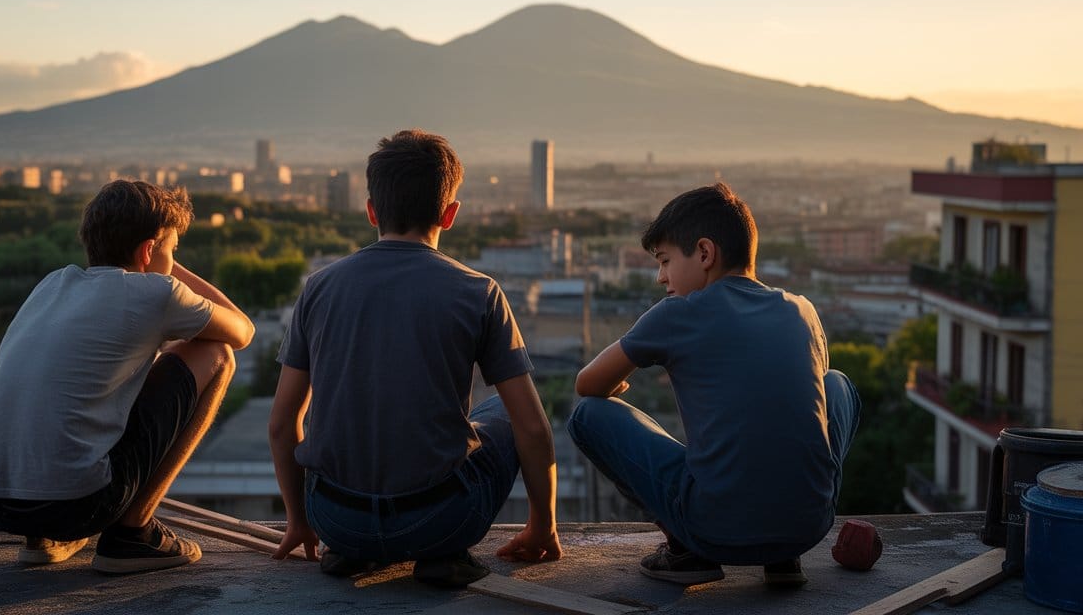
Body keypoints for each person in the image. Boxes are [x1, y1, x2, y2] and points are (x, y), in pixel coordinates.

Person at [268, 129, 562, 588]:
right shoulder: (478, 291)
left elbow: (283, 424)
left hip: (335, 518)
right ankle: (443, 556)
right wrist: (544, 526)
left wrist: (299, 521)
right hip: (442, 518)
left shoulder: (319, 288)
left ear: (371, 212)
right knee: (504, 412)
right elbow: (533, 428)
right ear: (450, 214)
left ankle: (353, 551)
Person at [567, 183, 859, 588]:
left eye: (665, 260)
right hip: (808, 527)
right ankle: (782, 556)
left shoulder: (677, 313)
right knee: (837, 384)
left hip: (716, 528)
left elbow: (588, 385)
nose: (660, 277)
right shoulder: (803, 310)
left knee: (587, 416)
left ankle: (686, 550)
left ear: (704, 253)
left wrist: (614, 387)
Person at [0, 180, 254, 574]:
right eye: (171, 250)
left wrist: (156, 252)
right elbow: (242, 331)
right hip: (77, 504)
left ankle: (45, 539)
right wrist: (165, 268)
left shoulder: (52, 284)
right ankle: (132, 535)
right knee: (216, 354)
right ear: (148, 250)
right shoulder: (157, 293)